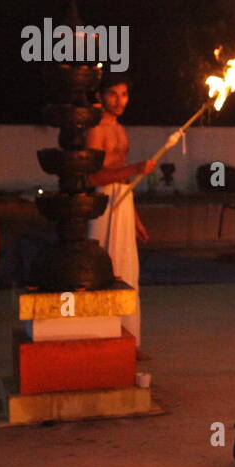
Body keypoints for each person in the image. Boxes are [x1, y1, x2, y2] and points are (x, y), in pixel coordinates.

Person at [85, 76, 155, 349]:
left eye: (124, 94)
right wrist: (135, 169)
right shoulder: (96, 129)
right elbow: (92, 178)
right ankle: (107, 339)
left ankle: (129, 342)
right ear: (101, 96)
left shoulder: (121, 130)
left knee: (128, 271)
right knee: (107, 268)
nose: (119, 100)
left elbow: (124, 177)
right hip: (104, 203)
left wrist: (135, 218)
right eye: (113, 94)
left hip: (123, 202)